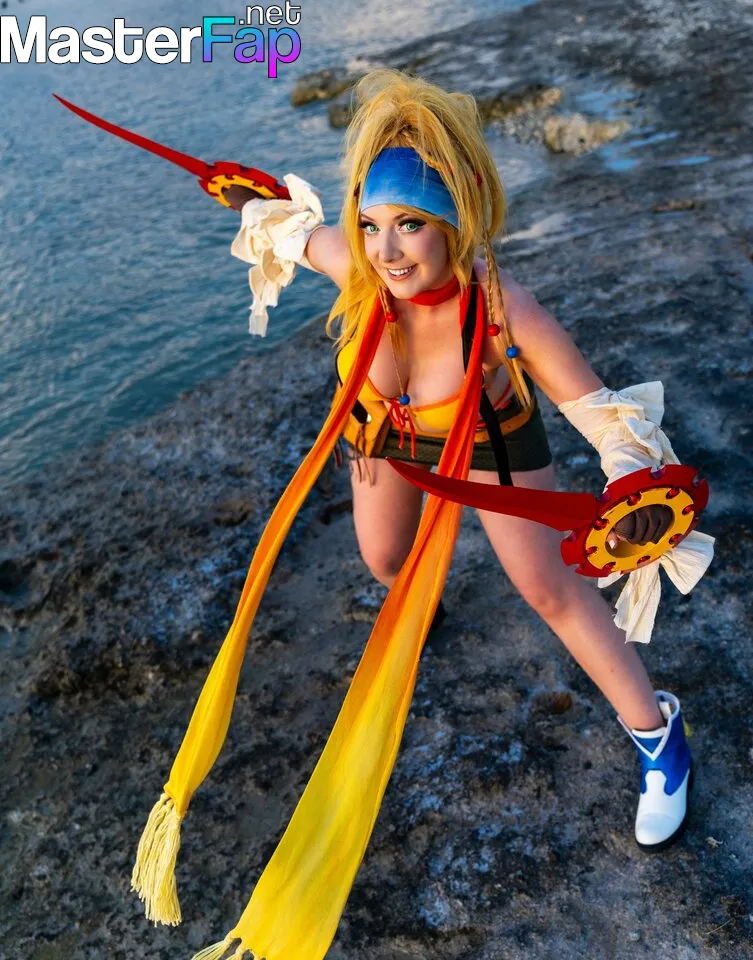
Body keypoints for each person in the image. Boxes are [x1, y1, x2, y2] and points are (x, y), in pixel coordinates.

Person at [134, 69, 705, 960]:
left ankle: (657, 732)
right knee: (383, 562)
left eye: (410, 225)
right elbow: (284, 224)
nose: (388, 251)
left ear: (455, 222)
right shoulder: (358, 270)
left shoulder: (502, 309)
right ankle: (420, 601)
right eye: (372, 224)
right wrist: (245, 198)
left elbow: (606, 421)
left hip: (486, 448)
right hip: (382, 441)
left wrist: (633, 488)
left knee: (546, 589)